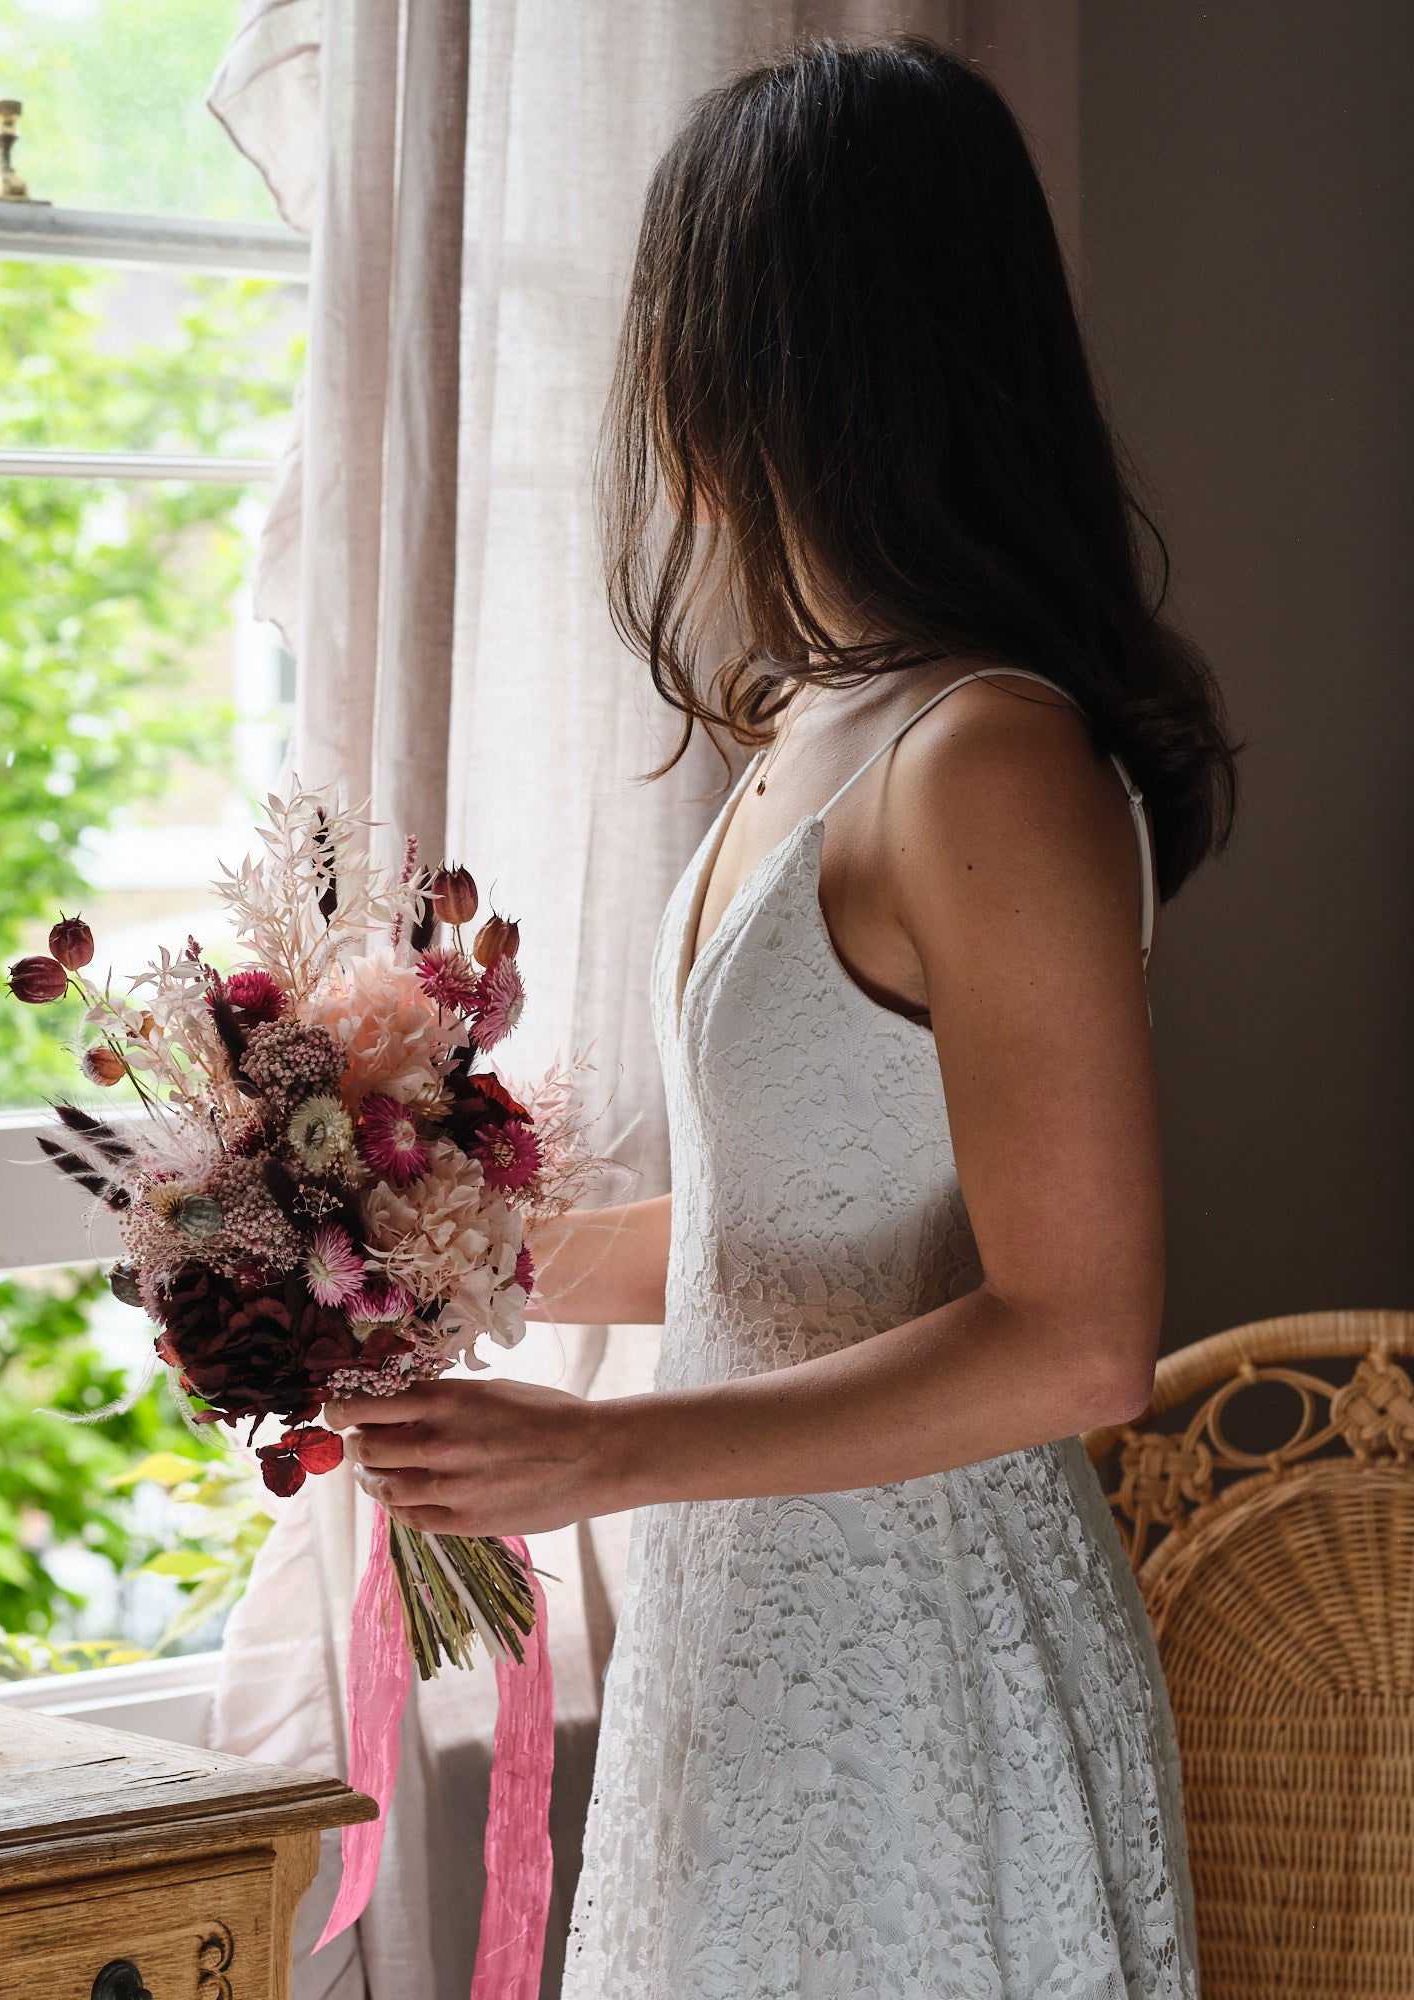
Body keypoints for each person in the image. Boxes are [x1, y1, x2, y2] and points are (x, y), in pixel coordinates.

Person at [325, 36, 1234, 1998]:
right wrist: (415, 1253)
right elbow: (781, 1247)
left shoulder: (986, 757)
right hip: (747, 1635)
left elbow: (1078, 1340)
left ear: (766, 355)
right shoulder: (810, 722)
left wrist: (597, 1467)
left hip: (926, 1656)